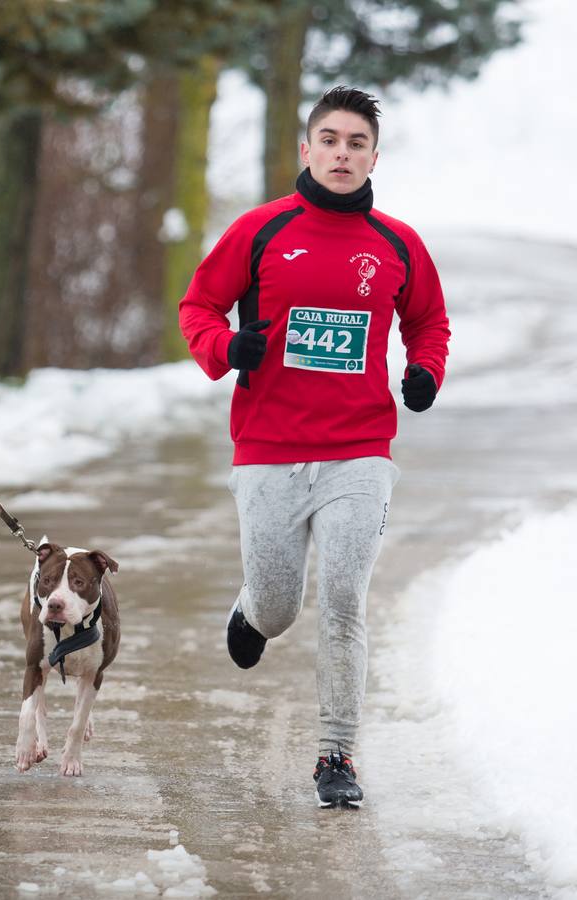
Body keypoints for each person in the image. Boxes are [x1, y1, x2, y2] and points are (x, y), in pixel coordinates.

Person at [177, 85, 449, 808]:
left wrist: (423, 371)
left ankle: (337, 754)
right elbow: (197, 305)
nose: (340, 153)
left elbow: (428, 322)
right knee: (279, 606)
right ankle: (252, 611)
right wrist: (226, 346)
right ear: (306, 149)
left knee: (342, 600)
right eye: (328, 139)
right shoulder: (261, 231)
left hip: (359, 448)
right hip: (267, 445)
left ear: (372, 157)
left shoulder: (396, 244)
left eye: (355, 143)